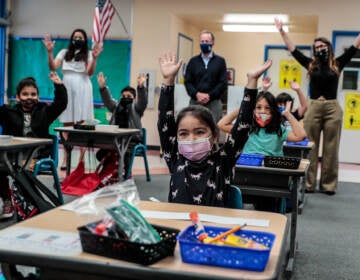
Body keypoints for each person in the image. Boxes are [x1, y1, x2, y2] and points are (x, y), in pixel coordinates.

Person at [158, 51, 272, 206]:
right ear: (176, 137)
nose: (191, 139)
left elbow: (242, 127)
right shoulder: (174, 158)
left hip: (216, 229)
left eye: (199, 132)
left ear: (214, 135)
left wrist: (252, 82)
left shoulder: (223, 160)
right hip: (181, 228)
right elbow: (164, 120)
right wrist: (168, 80)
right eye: (183, 133)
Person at [275, 18, 360, 195]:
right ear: (314, 51)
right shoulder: (310, 64)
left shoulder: (337, 64)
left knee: (331, 148)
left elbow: (354, 47)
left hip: (332, 108)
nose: (320, 49)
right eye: (317, 48)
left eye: (322, 46)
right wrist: (282, 31)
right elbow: (293, 50)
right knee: (310, 146)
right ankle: (309, 184)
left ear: (328, 47)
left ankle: (328, 185)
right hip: (313, 106)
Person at [0, 72, 67, 219]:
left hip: (36, 156)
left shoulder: (45, 112)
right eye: (25, 94)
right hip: (11, 156)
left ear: (38, 96)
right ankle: (8, 201)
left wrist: (59, 85)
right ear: (17, 97)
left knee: (22, 169)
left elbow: (61, 103)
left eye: (33, 94)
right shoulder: (7, 112)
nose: (29, 97)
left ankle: (30, 205)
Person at [43, 29, 103, 170]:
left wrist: (94, 58)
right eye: (75, 37)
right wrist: (50, 52)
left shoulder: (88, 53)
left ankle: (81, 160)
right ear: (71, 39)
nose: (77, 39)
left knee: (82, 124)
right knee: (67, 123)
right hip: (67, 86)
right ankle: (66, 158)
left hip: (83, 87)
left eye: (80, 37)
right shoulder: (64, 52)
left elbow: (90, 72)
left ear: (84, 40)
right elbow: (53, 66)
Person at [96, 72, 148, 177]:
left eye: (129, 96)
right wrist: (103, 88)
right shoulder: (116, 106)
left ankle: (126, 174)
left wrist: (141, 87)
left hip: (131, 140)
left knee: (125, 153)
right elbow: (108, 100)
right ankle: (111, 170)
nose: (125, 97)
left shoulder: (137, 108)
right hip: (114, 139)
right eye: (123, 95)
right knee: (100, 153)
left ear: (134, 98)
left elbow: (143, 101)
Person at [184, 30, 228, 123]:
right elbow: (188, 82)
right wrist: (196, 94)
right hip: (195, 102)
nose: (204, 44)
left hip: (214, 103)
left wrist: (210, 96)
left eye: (207, 41)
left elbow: (223, 83)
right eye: (202, 41)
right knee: (193, 126)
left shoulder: (220, 61)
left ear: (212, 43)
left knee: (213, 129)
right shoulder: (193, 61)